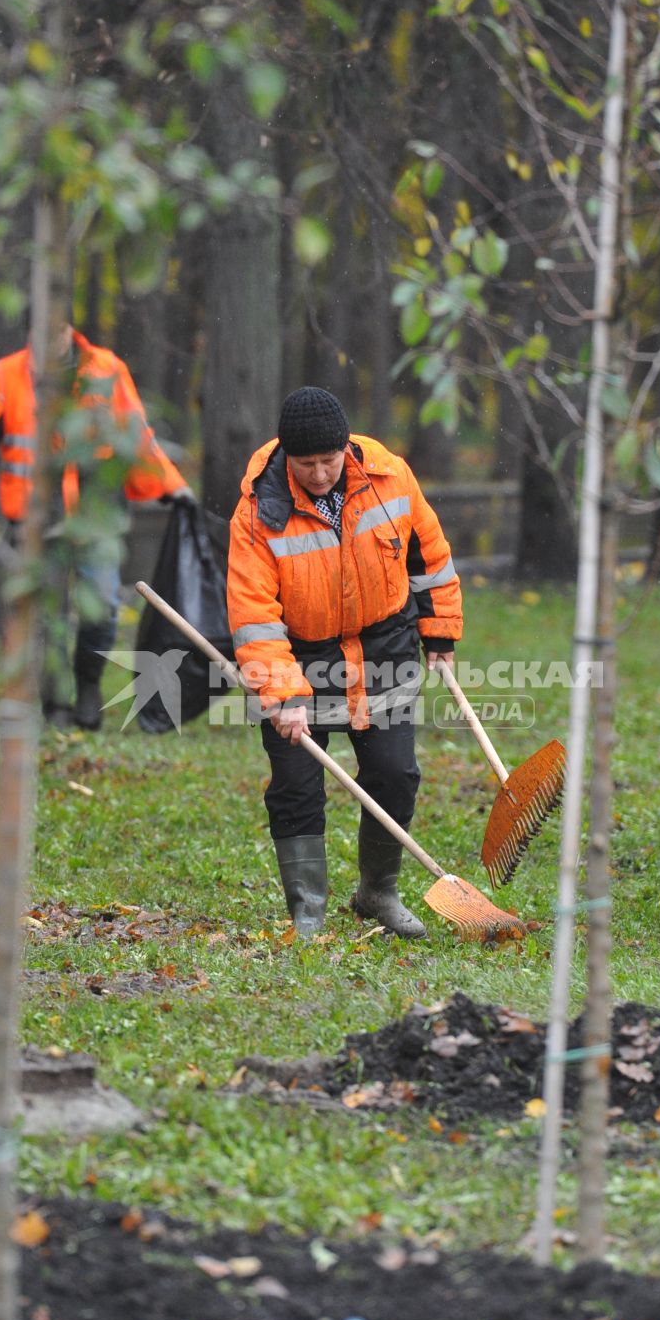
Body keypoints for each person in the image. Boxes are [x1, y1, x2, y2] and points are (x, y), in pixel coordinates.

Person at [228, 385, 462, 939]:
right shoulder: (259, 509)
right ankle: (307, 910)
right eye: (305, 463)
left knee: (394, 774)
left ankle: (377, 893)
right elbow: (253, 611)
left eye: (328, 461)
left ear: (347, 449)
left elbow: (427, 553)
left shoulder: (389, 477)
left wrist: (440, 632)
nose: (318, 474)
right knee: (297, 785)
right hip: (299, 656)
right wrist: (283, 695)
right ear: (288, 456)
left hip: (384, 645)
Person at [0, 326, 191, 728]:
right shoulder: (5, 376)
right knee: (46, 617)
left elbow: (137, 437)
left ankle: (88, 686)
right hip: (34, 519)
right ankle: (56, 703)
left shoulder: (106, 368)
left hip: (96, 516)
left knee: (102, 606)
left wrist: (172, 487)